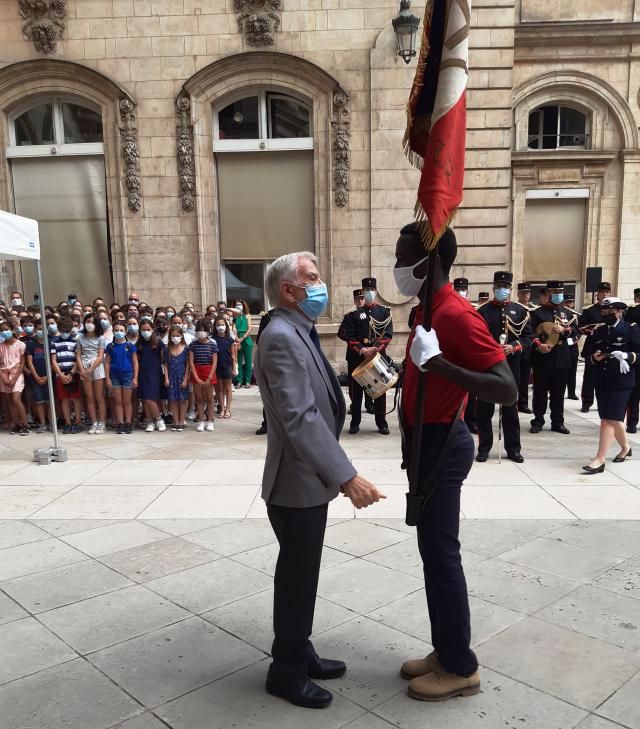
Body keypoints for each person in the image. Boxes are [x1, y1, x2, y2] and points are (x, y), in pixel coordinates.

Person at [254, 251, 385, 709]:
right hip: (296, 483)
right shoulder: (281, 337)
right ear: (289, 291)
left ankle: (300, 650)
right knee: (296, 579)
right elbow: (300, 417)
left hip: (306, 478)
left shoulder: (296, 329)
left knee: (301, 575)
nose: (320, 283)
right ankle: (285, 671)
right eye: (311, 278)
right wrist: (346, 477)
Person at [393, 224, 516, 701]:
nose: (398, 266)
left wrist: (441, 365)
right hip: (425, 442)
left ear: (430, 261)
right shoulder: (427, 308)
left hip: (444, 444)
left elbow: (505, 387)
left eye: (404, 256)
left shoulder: (457, 314)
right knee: (432, 556)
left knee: (443, 557)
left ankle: (461, 666)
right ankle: (444, 650)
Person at [476, 271, 532, 463]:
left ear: (511, 289)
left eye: (506, 287)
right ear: (493, 288)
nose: (502, 290)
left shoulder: (521, 311)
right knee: (484, 409)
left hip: (511, 366)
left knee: (510, 408)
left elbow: (528, 338)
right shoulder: (482, 312)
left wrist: (514, 347)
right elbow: (475, 338)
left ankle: (513, 448)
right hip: (488, 366)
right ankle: (484, 448)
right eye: (499, 286)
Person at [583, 297, 640, 473]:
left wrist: (628, 356)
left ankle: (599, 459)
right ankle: (625, 447)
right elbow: (588, 354)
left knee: (609, 418)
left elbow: (639, 353)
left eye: (610, 312)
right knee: (611, 417)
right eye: (604, 312)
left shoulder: (631, 329)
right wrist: (595, 357)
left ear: (620, 312)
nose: (607, 315)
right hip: (603, 379)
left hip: (622, 380)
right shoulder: (599, 331)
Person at [337, 277, 393, 435]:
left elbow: (388, 334)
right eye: (366, 290)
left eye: (371, 290)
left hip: (377, 359)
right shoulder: (353, 315)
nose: (369, 293)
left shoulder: (383, 312)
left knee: (380, 391)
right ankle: (355, 423)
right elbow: (348, 336)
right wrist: (362, 349)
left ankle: (382, 423)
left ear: (376, 291)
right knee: (357, 393)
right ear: (362, 290)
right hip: (357, 358)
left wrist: (375, 350)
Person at [529, 281, 579, 434]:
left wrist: (565, 329)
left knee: (558, 394)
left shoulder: (568, 312)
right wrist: (539, 345)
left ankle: (558, 422)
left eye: (560, 291)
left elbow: (576, 330)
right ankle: (538, 420)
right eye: (554, 291)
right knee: (540, 393)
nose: (557, 294)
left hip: (562, 358)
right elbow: (530, 334)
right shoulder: (538, 313)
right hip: (543, 359)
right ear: (548, 293)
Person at [579, 282, 611, 413]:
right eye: (602, 291)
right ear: (597, 294)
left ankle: (604, 401)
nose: (605, 294)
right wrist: (594, 328)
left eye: (607, 291)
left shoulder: (614, 309)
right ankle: (587, 402)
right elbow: (580, 327)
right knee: (589, 377)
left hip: (608, 347)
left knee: (606, 377)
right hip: (592, 346)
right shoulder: (590, 310)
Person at [50, 318, 83, 434]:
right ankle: (67, 422)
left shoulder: (75, 342)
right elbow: (53, 360)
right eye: (62, 330)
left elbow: (78, 359)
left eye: (67, 330)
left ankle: (78, 422)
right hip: (60, 375)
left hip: (73, 374)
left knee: (76, 398)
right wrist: (60, 374)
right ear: (59, 329)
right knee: (64, 399)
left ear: (71, 330)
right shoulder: (54, 343)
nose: (65, 332)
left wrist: (72, 373)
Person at [105, 321, 138, 434]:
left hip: (128, 375)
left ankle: (128, 423)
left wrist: (135, 378)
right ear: (113, 331)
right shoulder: (110, 346)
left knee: (127, 401)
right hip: (114, 376)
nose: (119, 332)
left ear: (125, 332)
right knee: (118, 401)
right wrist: (107, 378)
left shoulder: (130, 346)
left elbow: (135, 363)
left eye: (121, 330)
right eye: (116, 330)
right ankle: (120, 423)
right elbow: (107, 363)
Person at [76, 313, 107, 434]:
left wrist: (90, 370)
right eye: (87, 321)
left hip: (97, 367)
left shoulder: (101, 338)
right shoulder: (80, 338)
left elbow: (100, 357)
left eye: (93, 322)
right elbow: (78, 355)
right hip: (83, 366)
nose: (90, 324)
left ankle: (102, 423)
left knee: (99, 396)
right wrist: (82, 370)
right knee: (89, 397)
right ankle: (94, 422)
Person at [137, 319, 167, 432]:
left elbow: (163, 359)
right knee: (144, 397)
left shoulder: (158, 343)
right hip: (142, 372)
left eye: (148, 329)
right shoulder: (139, 343)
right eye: (143, 330)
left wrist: (165, 375)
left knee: (150, 397)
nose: (146, 332)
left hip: (155, 372)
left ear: (153, 329)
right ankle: (150, 421)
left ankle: (159, 419)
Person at [0, 321, 29, 435]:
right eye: (1, 330)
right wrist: (4, 378)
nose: (4, 332)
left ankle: (25, 425)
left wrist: (14, 378)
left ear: (12, 330)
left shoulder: (20, 345)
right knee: (9, 401)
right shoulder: (1, 346)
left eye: (6, 329)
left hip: (16, 375)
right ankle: (17, 424)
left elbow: (22, 363)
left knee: (16, 399)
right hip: (3, 375)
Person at [189, 319, 218, 432]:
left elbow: (215, 361)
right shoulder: (193, 344)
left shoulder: (212, 344)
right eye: (199, 330)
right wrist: (196, 377)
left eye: (203, 330)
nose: (201, 332)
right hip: (197, 371)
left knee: (210, 399)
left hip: (209, 371)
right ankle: (201, 421)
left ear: (208, 331)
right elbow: (191, 361)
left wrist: (210, 376)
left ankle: (210, 421)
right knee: (199, 399)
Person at [163, 324, 190, 431]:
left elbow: (188, 365)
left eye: (178, 335)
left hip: (182, 376)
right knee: (173, 399)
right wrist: (166, 378)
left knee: (183, 399)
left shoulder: (186, 348)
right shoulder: (167, 349)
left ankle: (182, 421)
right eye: (173, 336)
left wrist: (185, 379)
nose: (176, 338)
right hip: (171, 376)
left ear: (182, 336)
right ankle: (175, 421)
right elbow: (165, 364)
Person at [25, 320, 50, 433]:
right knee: (39, 401)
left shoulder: (50, 343)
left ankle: (50, 422)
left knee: (49, 401)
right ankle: (42, 423)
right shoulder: (31, 344)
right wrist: (36, 377)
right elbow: (29, 362)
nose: (42, 331)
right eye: (39, 329)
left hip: (49, 377)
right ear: (35, 330)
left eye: (44, 329)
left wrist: (48, 376)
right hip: (35, 378)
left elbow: (54, 361)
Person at [516, 282, 537, 413]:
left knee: (524, 379)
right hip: (515, 347)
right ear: (518, 294)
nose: (526, 295)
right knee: (514, 378)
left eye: (528, 293)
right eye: (523, 293)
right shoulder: (515, 308)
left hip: (528, 349)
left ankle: (523, 404)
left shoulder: (534, 310)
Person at [255, 309, 273, 436]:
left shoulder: (298, 314)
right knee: (269, 394)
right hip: (271, 359)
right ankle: (267, 424)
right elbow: (260, 338)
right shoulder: (269, 316)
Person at [624, 287, 640, 433]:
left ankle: (632, 423)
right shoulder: (633, 310)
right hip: (637, 355)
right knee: (634, 393)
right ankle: (632, 423)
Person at [213, 316, 235, 419]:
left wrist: (234, 368)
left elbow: (233, 355)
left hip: (227, 366)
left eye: (222, 325)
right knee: (219, 389)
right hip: (216, 367)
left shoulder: (229, 339)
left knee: (228, 388)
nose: (220, 327)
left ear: (226, 326)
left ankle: (228, 409)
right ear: (215, 326)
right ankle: (222, 408)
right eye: (218, 325)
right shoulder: (212, 340)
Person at [233, 299, 254, 388]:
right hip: (237, 339)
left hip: (246, 339)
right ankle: (239, 381)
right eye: (236, 304)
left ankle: (248, 381)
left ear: (243, 305)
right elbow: (233, 328)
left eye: (240, 304)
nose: (238, 306)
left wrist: (242, 338)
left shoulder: (247, 315)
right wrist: (237, 338)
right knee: (238, 361)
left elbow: (250, 328)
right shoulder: (234, 316)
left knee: (248, 361)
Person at [564, 293, 580, 400]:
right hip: (562, 345)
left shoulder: (575, 315)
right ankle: (553, 392)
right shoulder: (559, 313)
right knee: (560, 370)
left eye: (571, 302)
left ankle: (571, 392)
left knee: (572, 371)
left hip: (573, 345)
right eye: (568, 302)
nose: (570, 304)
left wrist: (576, 338)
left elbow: (579, 330)